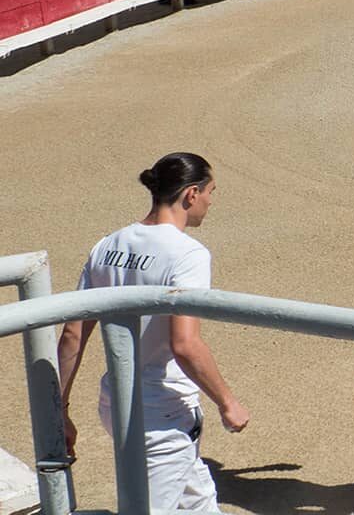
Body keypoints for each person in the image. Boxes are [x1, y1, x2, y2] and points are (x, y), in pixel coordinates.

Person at [55, 153, 250, 512]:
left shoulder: (107, 245)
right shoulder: (188, 254)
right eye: (211, 192)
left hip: (116, 403)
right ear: (191, 194)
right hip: (163, 417)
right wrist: (228, 402)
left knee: (200, 503)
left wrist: (60, 409)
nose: (210, 201)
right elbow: (185, 344)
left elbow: (72, 334)